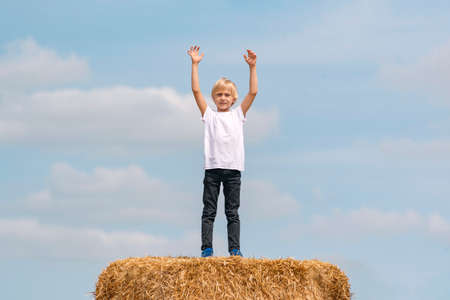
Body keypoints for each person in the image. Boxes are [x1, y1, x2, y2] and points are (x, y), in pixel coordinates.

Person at [187, 45, 258, 257]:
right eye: (219, 94)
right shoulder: (209, 116)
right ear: (214, 97)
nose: (223, 98)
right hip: (212, 169)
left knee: (232, 212)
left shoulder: (238, 115)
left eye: (227, 95)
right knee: (209, 211)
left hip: (233, 170)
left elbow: (253, 92)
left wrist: (252, 67)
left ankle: (234, 250)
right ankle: (206, 248)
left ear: (234, 98)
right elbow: (196, 91)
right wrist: (195, 64)